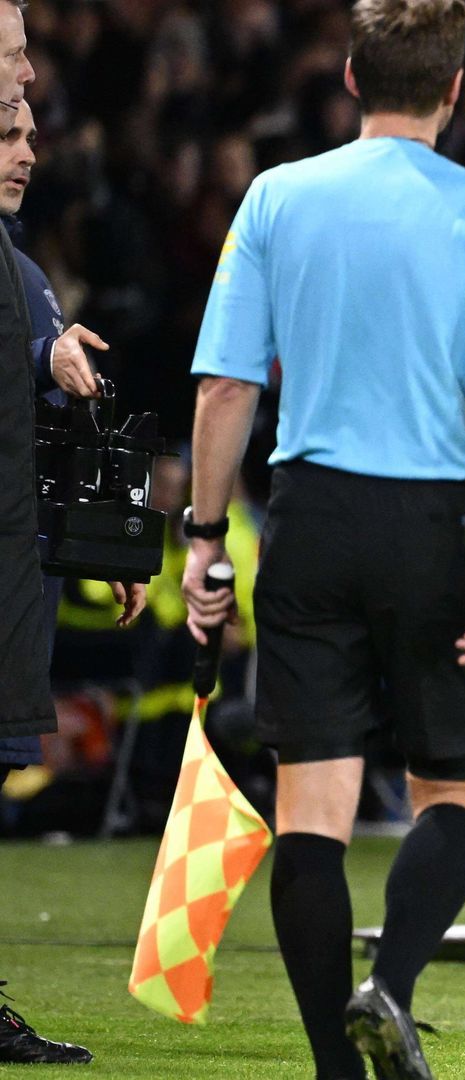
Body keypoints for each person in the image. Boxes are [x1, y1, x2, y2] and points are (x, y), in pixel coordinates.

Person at [182, 2, 465, 1076]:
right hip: (436, 525)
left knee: (313, 808)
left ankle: (335, 1069)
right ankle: (390, 986)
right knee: (455, 791)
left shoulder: (275, 198)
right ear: (456, 86)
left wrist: (206, 537)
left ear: (349, 74)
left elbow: (225, 388)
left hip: (311, 516)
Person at [0, 19, 129, 1067]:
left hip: (18, 573)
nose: (26, 141)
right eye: (6, 125)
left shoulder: (23, 267)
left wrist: (105, 548)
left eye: (29, 127)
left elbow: (41, 421)